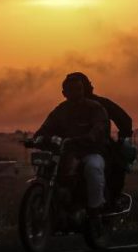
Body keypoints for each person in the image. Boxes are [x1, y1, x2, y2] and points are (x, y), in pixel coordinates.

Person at [33, 74, 110, 214]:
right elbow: (44, 128)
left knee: (93, 168)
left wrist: (89, 137)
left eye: (78, 89)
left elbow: (99, 127)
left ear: (83, 90)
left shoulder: (94, 108)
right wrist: (37, 138)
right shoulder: (60, 111)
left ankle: (95, 210)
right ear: (64, 93)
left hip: (90, 151)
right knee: (48, 171)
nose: (76, 93)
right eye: (71, 90)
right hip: (66, 152)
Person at [64, 72, 133, 203]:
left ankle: (105, 205)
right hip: (71, 149)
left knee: (113, 167)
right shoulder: (65, 108)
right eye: (71, 89)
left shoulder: (100, 105)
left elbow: (125, 121)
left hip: (98, 148)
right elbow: (50, 125)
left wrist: (121, 141)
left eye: (77, 88)